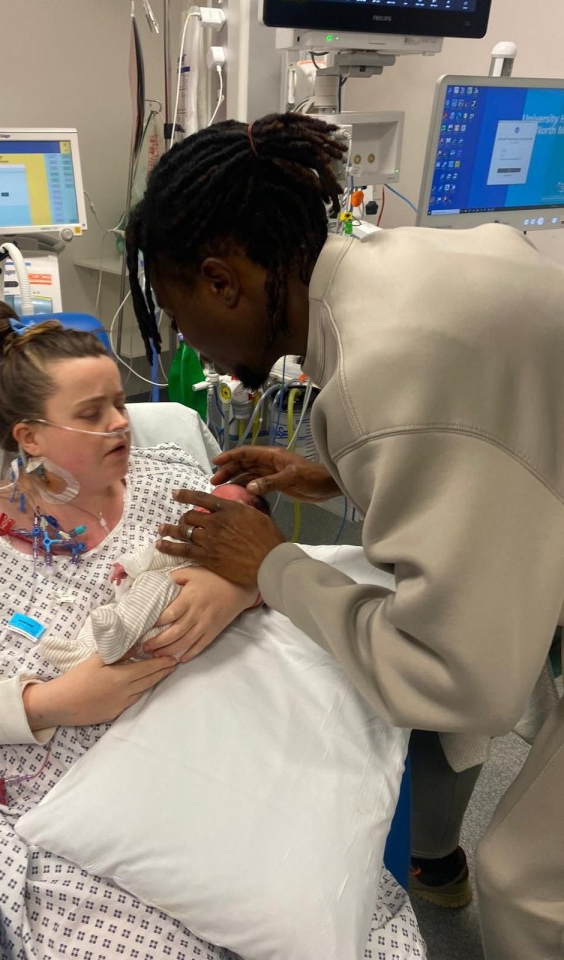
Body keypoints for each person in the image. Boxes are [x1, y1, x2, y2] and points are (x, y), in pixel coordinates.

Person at [125, 112, 564, 960]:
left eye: (181, 319)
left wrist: (273, 567)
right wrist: (335, 471)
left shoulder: (384, 379)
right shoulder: (412, 257)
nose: (191, 346)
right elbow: (507, 419)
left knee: (531, 881)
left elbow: (461, 684)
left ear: (223, 282)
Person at [0, 298, 421, 960]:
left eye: (118, 402)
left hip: (221, 734)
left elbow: (252, 547)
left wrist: (235, 588)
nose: (118, 424)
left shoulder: (167, 482)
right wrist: (53, 702)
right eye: (90, 414)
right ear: (30, 437)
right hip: (64, 796)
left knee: (330, 911)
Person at [41, 483, 270, 669]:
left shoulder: (232, 548)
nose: (201, 510)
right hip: (142, 613)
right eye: (203, 502)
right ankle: (82, 653)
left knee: (153, 583)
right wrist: (129, 566)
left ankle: (116, 646)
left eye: (216, 507)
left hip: (174, 618)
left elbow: (161, 556)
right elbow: (158, 551)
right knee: (105, 614)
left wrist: (248, 592)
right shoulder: (185, 536)